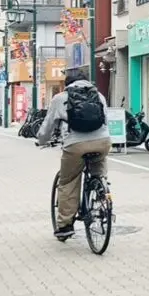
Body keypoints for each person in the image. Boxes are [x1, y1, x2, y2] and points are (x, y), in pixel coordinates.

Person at [37, 69, 111, 241]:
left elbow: (48, 126)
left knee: (68, 181)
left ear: (67, 83)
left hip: (75, 144)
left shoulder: (60, 98)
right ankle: (102, 192)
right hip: (103, 141)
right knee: (99, 169)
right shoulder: (99, 95)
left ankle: (65, 225)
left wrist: (41, 140)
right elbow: (106, 119)